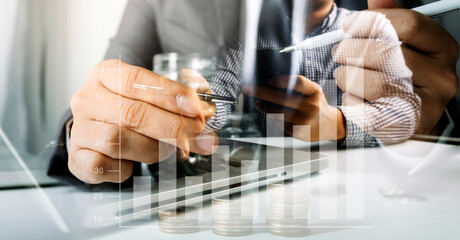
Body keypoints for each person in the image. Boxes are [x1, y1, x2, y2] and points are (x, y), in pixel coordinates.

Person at [48, 0, 459, 186]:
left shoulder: (378, 14)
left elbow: (429, 114)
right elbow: (101, 95)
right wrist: (86, 134)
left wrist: (433, 123)